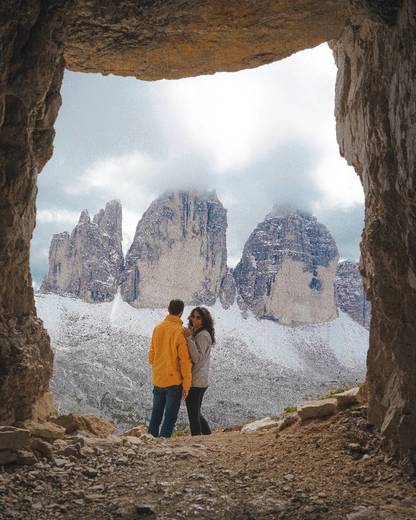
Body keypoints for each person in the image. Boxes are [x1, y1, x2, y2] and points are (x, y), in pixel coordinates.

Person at [148, 299, 192, 438]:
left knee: (156, 414)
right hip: (173, 382)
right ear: (181, 312)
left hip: (158, 378)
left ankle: (149, 441)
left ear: (168, 309)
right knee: (170, 417)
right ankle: (162, 444)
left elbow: (151, 355)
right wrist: (186, 385)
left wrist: (158, 366)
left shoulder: (158, 327)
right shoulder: (179, 331)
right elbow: (184, 361)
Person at [183, 306, 214, 436]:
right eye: (193, 316)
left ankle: (197, 440)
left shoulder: (202, 335)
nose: (194, 319)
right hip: (200, 379)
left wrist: (189, 338)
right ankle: (207, 436)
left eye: (198, 318)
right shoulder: (201, 332)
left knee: (193, 414)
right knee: (196, 412)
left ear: (204, 320)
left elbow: (196, 358)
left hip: (197, 381)